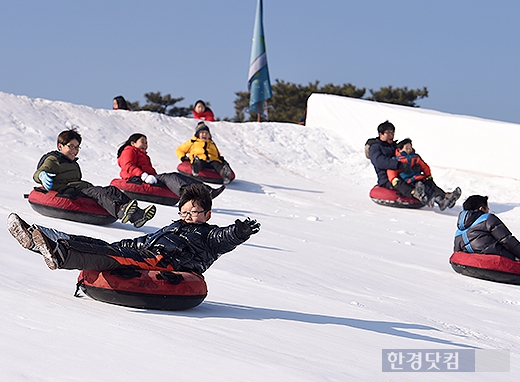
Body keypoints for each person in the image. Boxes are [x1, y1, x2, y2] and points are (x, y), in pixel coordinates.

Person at [7, 184, 261, 274]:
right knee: (101, 244)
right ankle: (38, 237)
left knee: (111, 257)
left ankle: (61, 254)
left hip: (167, 264)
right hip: (147, 253)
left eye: (194, 212)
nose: (189, 216)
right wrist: (127, 244)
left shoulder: (207, 234)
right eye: (184, 212)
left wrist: (238, 232)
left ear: (206, 214)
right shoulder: (174, 226)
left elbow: (223, 239)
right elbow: (148, 240)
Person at [34, 129, 155, 228]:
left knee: (112, 190)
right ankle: (119, 210)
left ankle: (138, 215)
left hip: (77, 188)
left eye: (77, 147)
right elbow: (39, 172)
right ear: (60, 146)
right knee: (97, 192)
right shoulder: (54, 159)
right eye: (71, 146)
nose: (74, 151)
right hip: (67, 191)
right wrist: (42, 175)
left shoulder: (73, 163)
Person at [368, 121, 460, 210]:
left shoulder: (394, 146)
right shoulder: (375, 147)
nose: (391, 135)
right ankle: (417, 193)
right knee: (404, 183)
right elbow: (379, 161)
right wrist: (399, 165)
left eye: (392, 133)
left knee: (425, 181)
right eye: (388, 133)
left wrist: (415, 165)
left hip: (404, 174)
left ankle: (444, 198)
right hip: (388, 179)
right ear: (380, 134)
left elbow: (407, 155)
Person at [117, 133, 225, 199]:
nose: (145, 145)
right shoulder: (129, 150)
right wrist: (143, 176)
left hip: (149, 177)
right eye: (142, 142)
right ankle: (188, 193)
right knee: (170, 177)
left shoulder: (142, 154)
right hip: (137, 178)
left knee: (179, 176)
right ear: (133, 143)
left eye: (146, 142)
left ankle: (206, 190)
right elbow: (128, 165)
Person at [387, 138, 460, 210]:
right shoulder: (397, 160)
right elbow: (391, 170)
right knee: (427, 189)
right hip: (409, 180)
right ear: (400, 150)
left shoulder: (415, 157)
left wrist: (428, 175)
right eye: (407, 148)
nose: (409, 150)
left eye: (410, 148)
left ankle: (445, 198)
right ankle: (438, 200)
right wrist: (393, 179)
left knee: (431, 185)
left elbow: (424, 166)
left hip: (419, 178)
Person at [454, 195, 520, 261]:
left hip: (470, 264)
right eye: (487, 208)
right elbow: (506, 240)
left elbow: (457, 252)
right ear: (481, 208)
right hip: (496, 261)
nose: (488, 211)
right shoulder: (487, 219)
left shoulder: (459, 231)